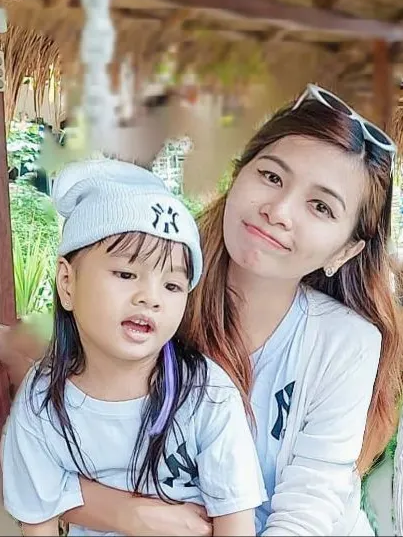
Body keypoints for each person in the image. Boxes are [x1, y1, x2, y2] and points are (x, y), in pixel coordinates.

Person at [1, 83, 402, 536]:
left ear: (344, 252)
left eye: (321, 206)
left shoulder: (345, 342)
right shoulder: (157, 300)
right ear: (238, 176)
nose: (279, 210)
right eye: (272, 176)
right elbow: (45, 443)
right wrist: (122, 513)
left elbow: (308, 508)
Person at [1, 159, 266, 537]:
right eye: (126, 274)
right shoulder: (42, 402)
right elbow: (37, 522)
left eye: (173, 286)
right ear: (67, 282)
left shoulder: (208, 395)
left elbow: (235, 524)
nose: (150, 298)